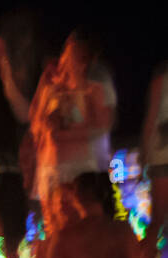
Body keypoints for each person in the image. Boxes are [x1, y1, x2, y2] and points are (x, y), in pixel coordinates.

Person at [29, 32, 116, 237]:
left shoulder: (93, 90)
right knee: (55, 229)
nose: (64, 60)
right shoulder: (51, 90)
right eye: (65, 54)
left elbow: (102, 127)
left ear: (84, 60)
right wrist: (47, 122)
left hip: (80, 170)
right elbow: (36, 125)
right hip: (51, 170)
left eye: (72, 55)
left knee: (82, 227)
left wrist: (66, 133)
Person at [141, 61, 168, 258]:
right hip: (162, 155)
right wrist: (144, 155)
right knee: (158, 217)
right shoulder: (162, 76)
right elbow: (151, 117)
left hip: (160, 155)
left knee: (157, 219)